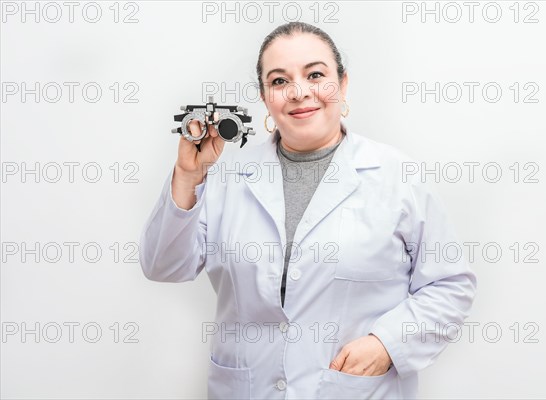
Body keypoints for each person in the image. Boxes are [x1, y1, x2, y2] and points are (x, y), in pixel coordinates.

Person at [140, 21, 477, 400]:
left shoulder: (397, 177)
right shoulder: (229, 178)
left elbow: (450, 284)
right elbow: (164, 266)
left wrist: (387, 344)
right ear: (266, 98)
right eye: (280, 81)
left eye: (315, 74)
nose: (299, 92)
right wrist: (189, 175)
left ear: (342, 84)